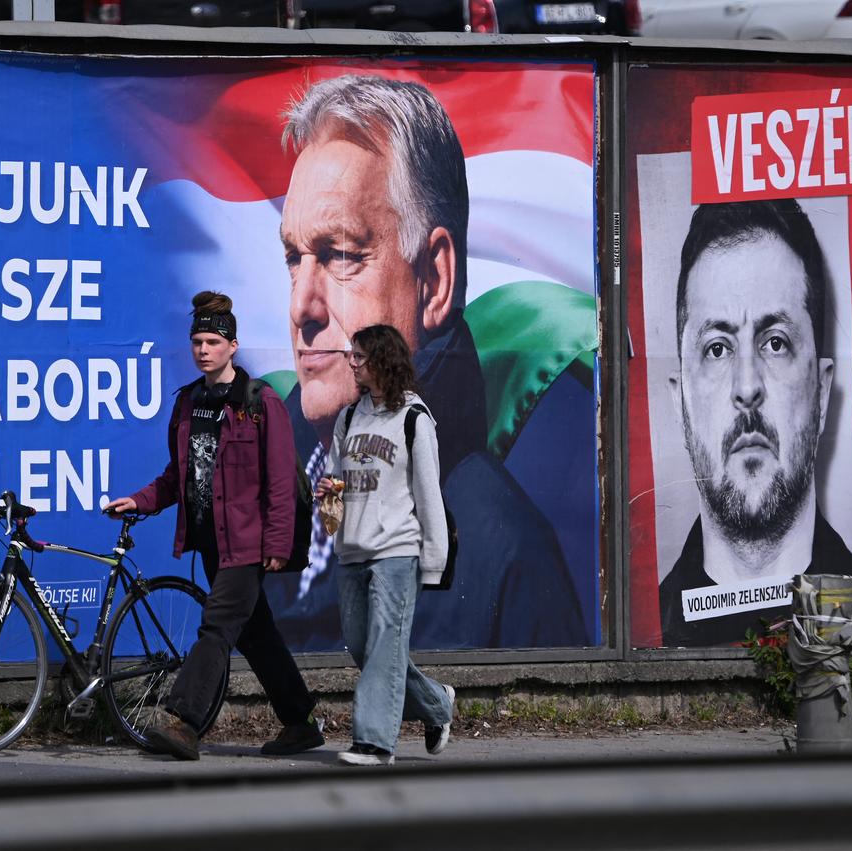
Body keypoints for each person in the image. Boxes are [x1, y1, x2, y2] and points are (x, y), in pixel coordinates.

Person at [270, 72, 589, 651]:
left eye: (339, 255)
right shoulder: (264, 501)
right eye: (294, 257)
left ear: (434, 280)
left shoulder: (509, 554)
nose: (301, 306)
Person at [104, 291, 324, 761]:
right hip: (210, 542)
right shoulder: (187, 404)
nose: (203, 350)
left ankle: (182, 721)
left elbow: (282, 481)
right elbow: (176, 477)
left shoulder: (261, 403)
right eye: (197, 341)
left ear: (232, 346)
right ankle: (302, 721)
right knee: (254, 632)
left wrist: (278, 543)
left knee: (218, 627)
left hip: (248, 543)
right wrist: (140, 500)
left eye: (212, 341)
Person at [659, 199, 852, 647]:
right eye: (717, 348)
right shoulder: (653, 629)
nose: (747, 387)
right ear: (680, 401)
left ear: (822, 392)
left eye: (775, 342)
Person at [316, 324, 455, 766]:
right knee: (365, 647)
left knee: (382, 644)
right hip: (352, 550)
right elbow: (337, 489)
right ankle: (436, 703)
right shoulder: (349, 417)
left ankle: (374, 743)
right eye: (351, 356)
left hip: (397, 550)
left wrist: (433, 561)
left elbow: (428, 493)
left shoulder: (414, 419)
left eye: (358, 356)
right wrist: (327, 505)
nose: (351, 364)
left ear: (382, 360)